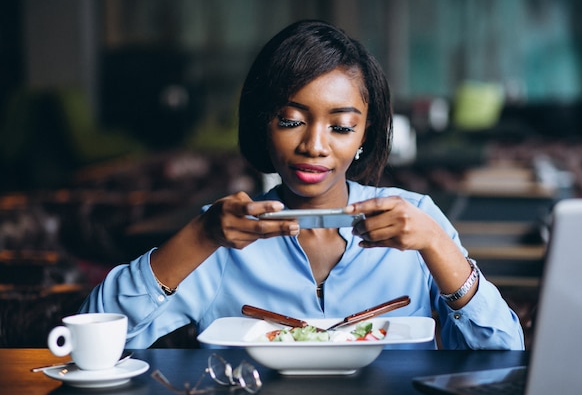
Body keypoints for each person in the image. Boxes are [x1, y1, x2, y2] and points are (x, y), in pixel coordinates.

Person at [80, 20, 524, 350]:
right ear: (262, 125)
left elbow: (503, 354)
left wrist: (437, 245)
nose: (314, 145)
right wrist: (200, 236)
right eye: (291, 121)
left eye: (341, 127)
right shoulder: (220, 236)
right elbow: (94, 335)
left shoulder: (419, 218)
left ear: (366, 135)